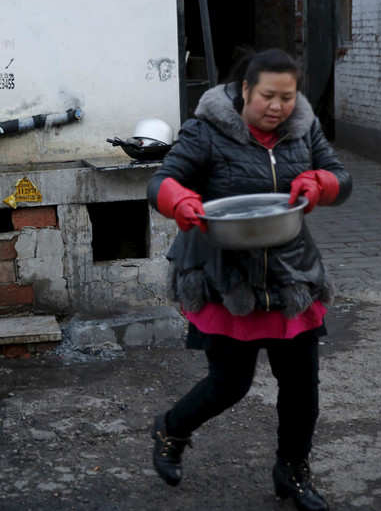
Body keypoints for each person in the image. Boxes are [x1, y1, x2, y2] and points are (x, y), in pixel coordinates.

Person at [146, 48, 352, 511]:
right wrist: (178, 200)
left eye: (287, 96)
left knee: (302, 387)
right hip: (226, 278)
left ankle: (292, 470)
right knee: (229, 384)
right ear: (244, 90)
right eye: (267, 96)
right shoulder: (208, 130)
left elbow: (342, 177)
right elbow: (162, 180)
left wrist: (321, 181)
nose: (277, 107)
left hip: (290, 277)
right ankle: (171, 428)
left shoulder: (304, 129)